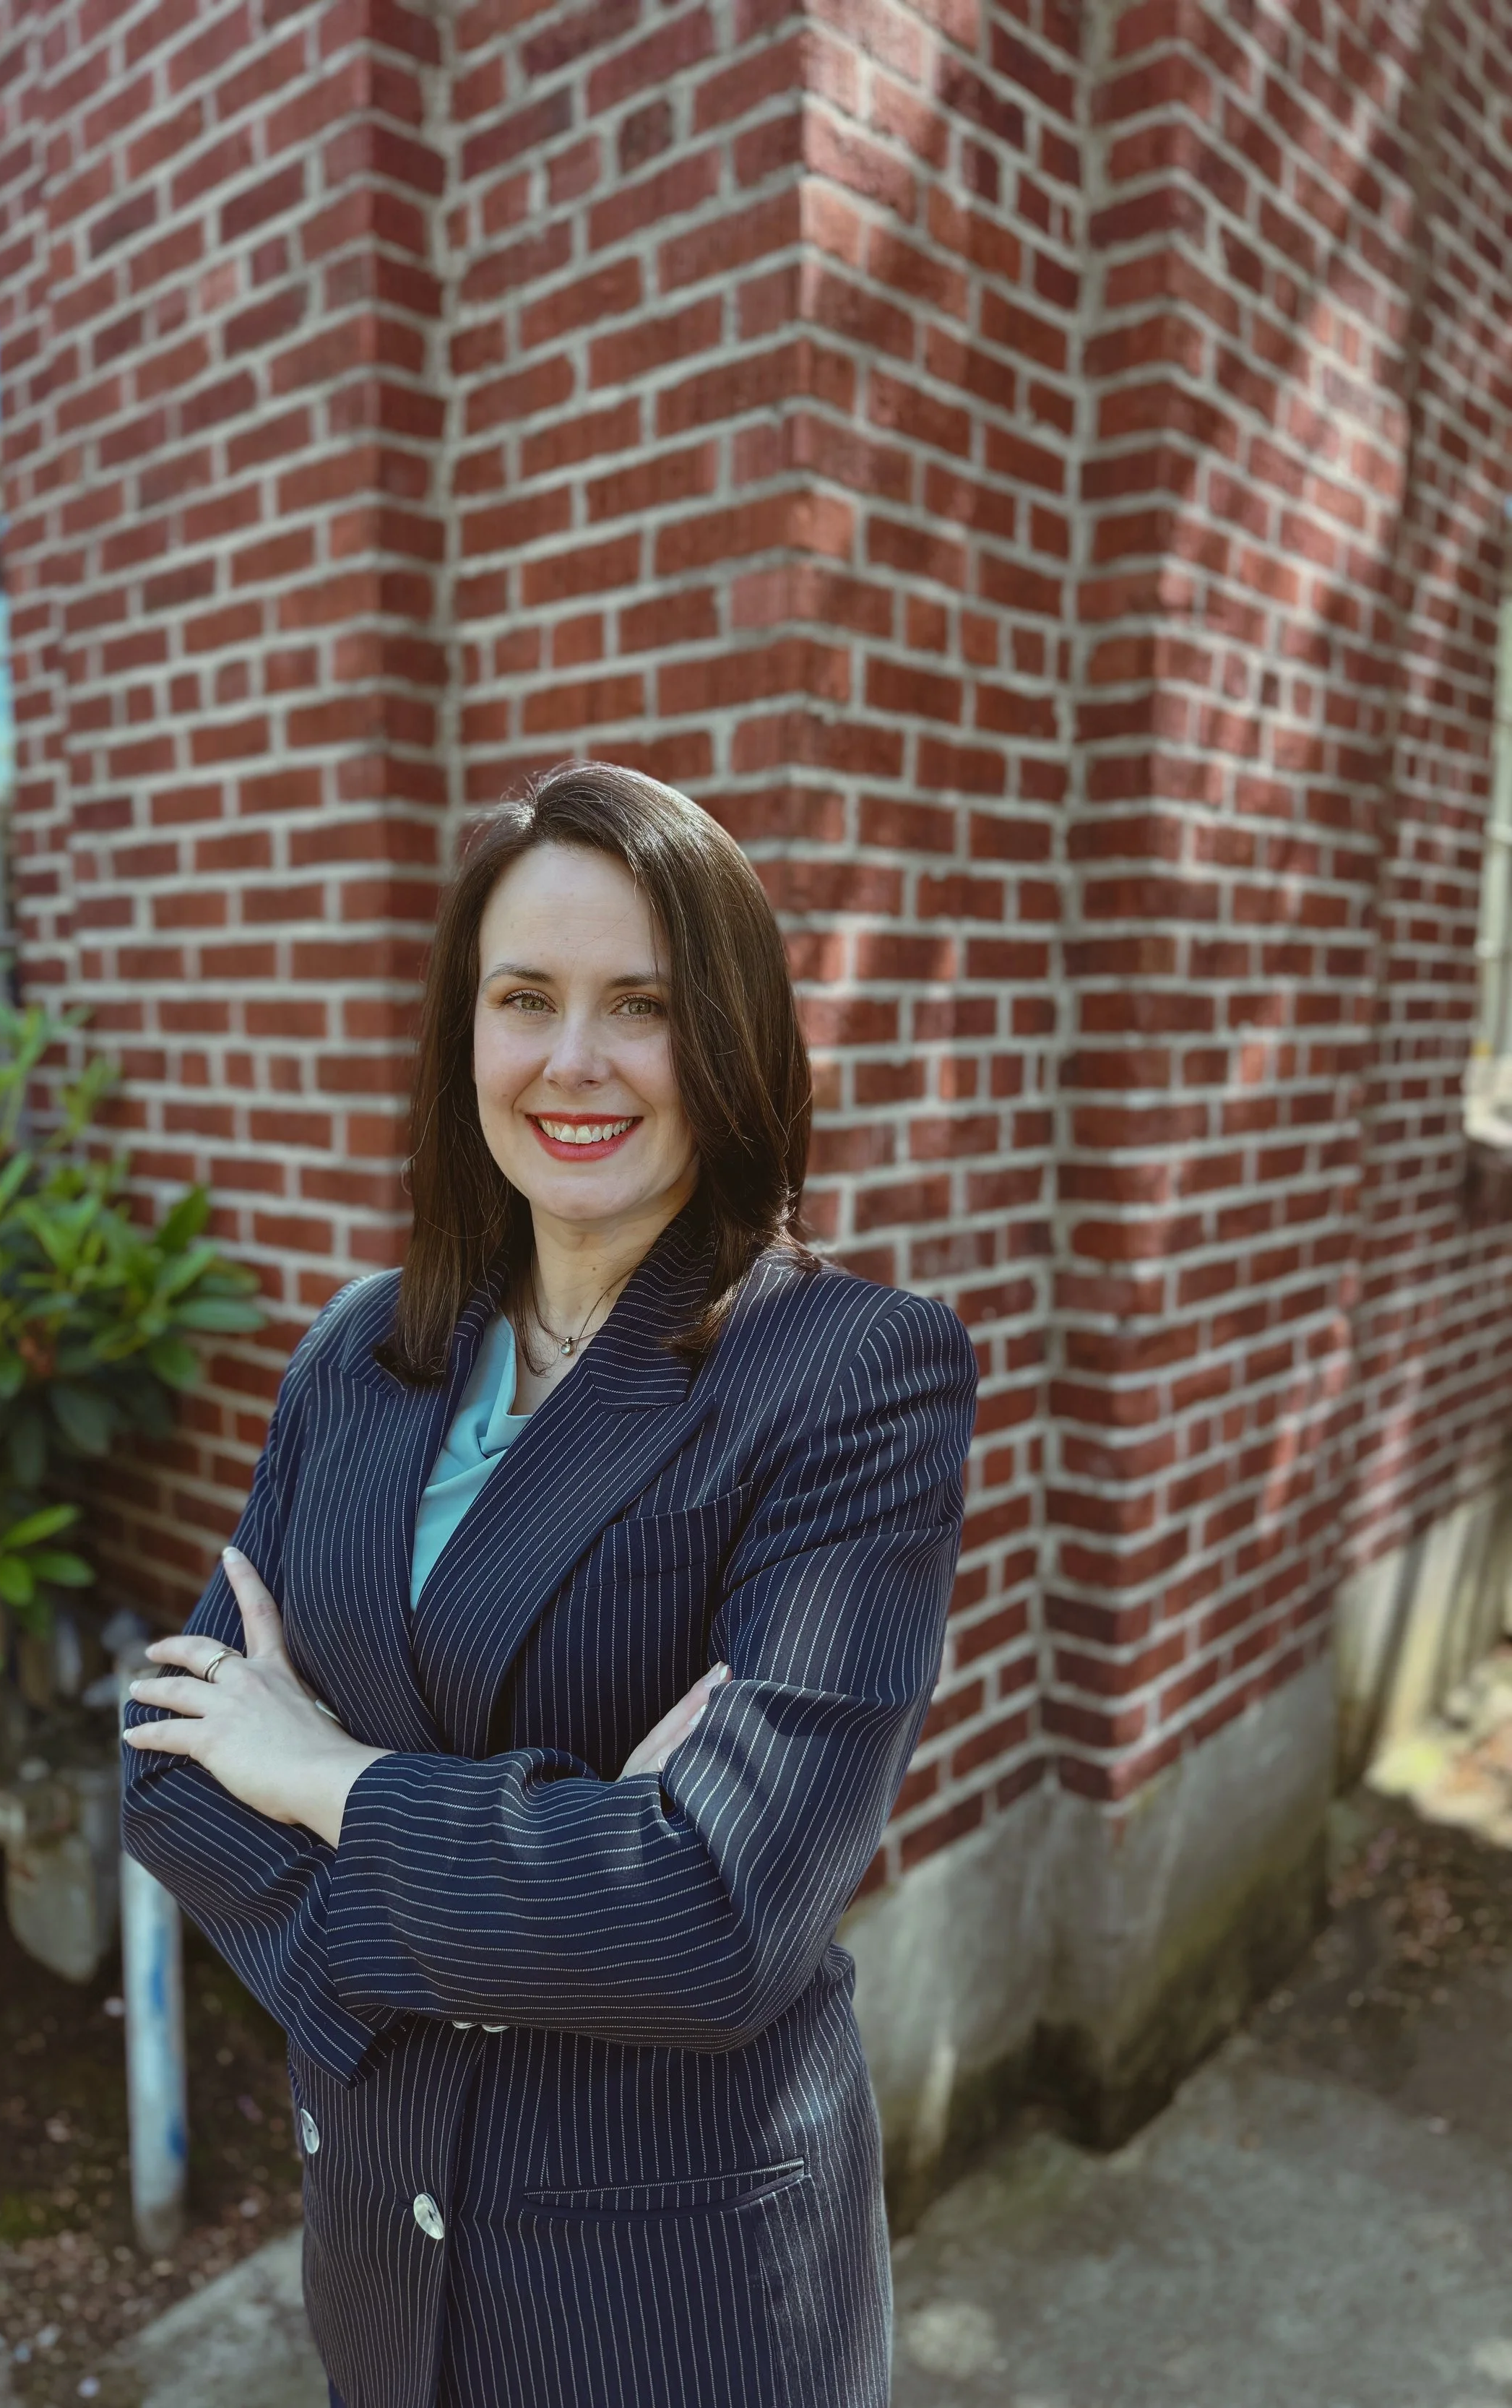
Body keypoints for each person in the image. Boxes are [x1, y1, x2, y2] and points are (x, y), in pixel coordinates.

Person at [121, 761, 977, 2408]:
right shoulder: (362, 1354)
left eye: (639, 1004)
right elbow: (171, 1762)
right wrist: (566, 1870)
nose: (571, 1061)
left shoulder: (846, 1375)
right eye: (525, 998)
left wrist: (325, 1776)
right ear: (467, 1034)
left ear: (725, 1041)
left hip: (669, 2299)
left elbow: (714, 1919)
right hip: (378, 2248)